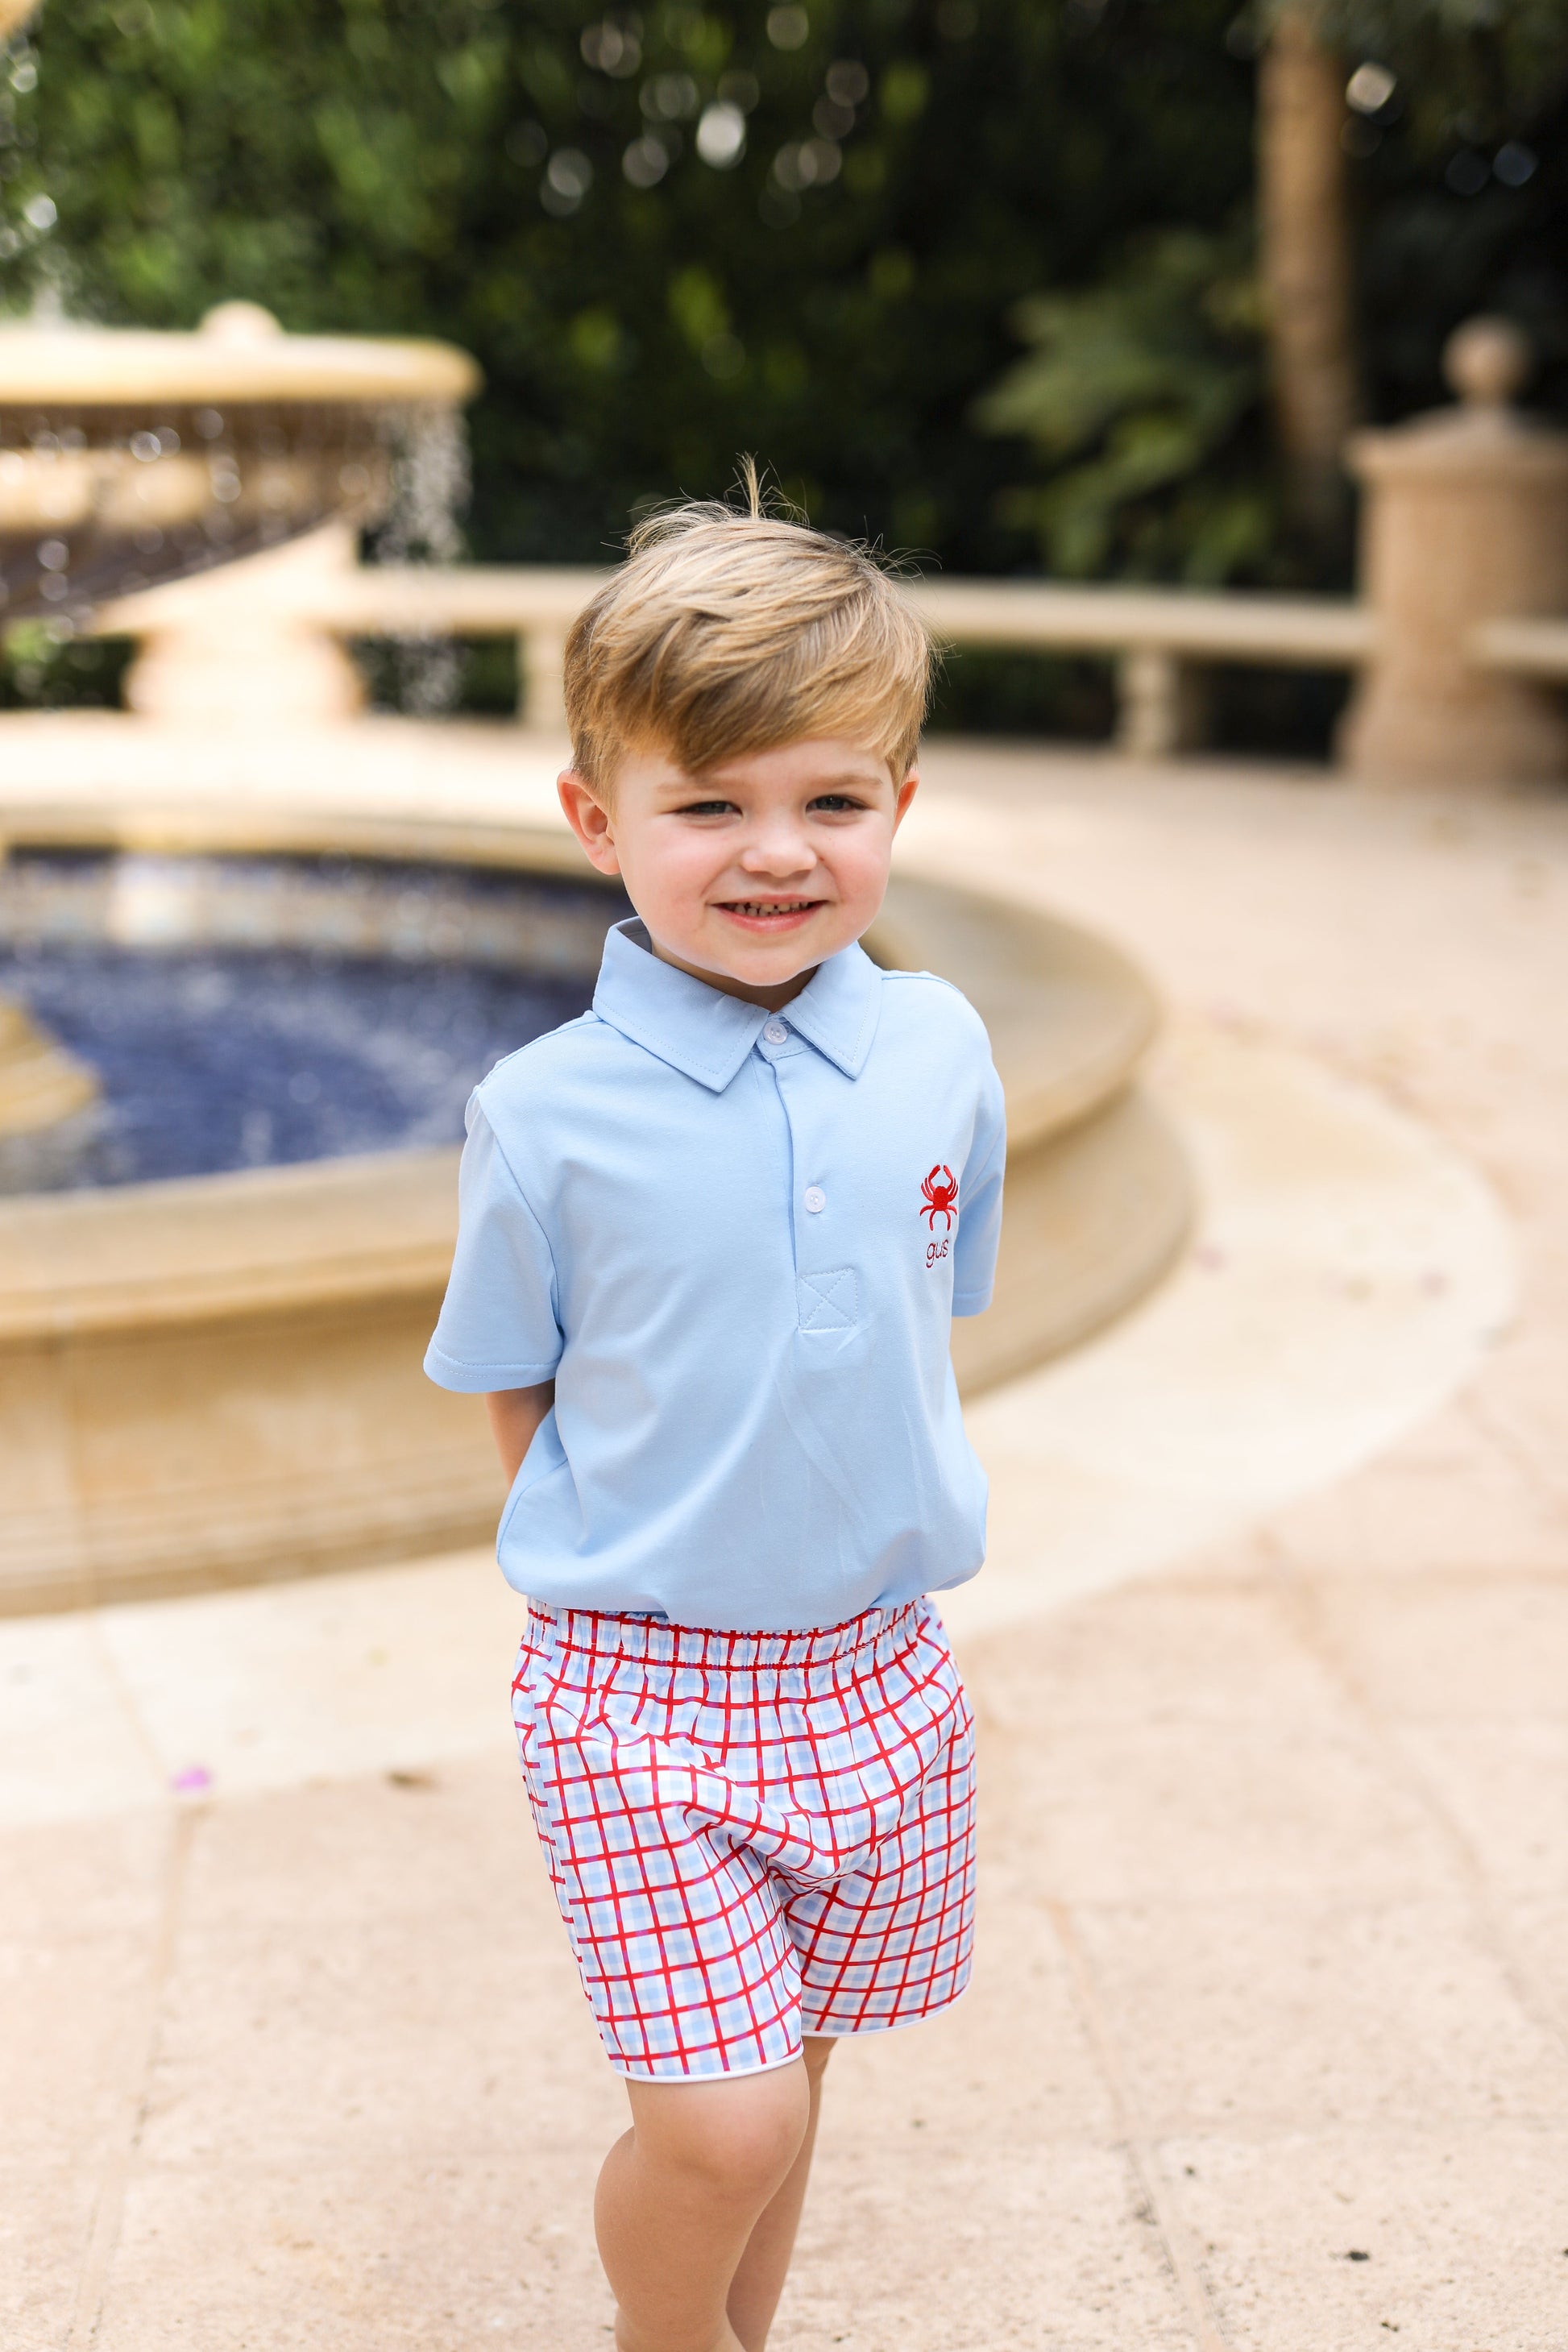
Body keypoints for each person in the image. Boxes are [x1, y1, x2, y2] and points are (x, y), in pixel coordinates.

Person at [424, 480, 1006, 2352]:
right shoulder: (545, 1111)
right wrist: (620, 1566)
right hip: (645, 1692)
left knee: (792, 2085)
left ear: (899, 807)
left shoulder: (940, 1048)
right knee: (722, 2115)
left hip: (884, 1671)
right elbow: (513, 1370)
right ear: (599, 822)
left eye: (833, 800)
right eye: (710, 805)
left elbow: (926, 1303)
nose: (778, 852)